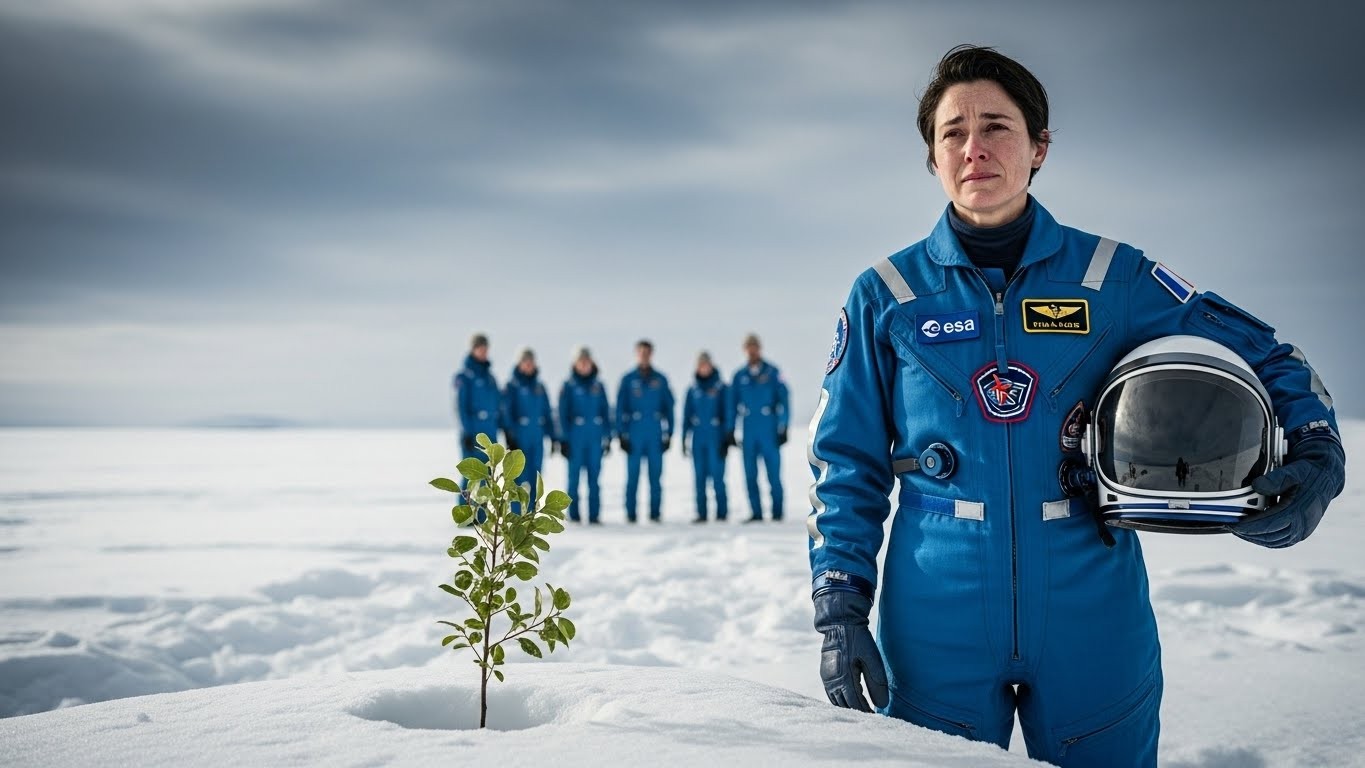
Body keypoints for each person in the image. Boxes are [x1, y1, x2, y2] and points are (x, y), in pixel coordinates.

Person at [806, 44, 1345, 768]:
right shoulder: (886, 293)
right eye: (951, 133)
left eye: (996, 126)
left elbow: (1265, 352)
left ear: (1038, 148)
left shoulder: (1112, 277)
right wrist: (839, 609)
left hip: (1090, 599)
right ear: (930, 158)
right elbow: (845, 464)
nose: (974, 149)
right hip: (936, 604)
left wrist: (1315, 450)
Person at [731, 332, 790, 522]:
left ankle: (777, 512)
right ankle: (756, 512)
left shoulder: (773, 372)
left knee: (773, 473)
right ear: (744, 350)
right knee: (750, 473)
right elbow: (732, 405)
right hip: (749, 430)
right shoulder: (740, 376)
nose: (751, 350)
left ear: (759, 348)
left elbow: (784, 400)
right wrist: (731, 431)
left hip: (769, 429)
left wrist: (784, 426)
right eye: (748, 347)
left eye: (754, 346)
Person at [616, 339, 675, 523]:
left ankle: (655, 513)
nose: (644, 355)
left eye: (647, 352)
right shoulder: (628, 380)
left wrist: (669, 433)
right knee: (632, 476)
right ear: (636, 354)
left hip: (654, 433)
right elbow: (619, 409)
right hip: (635, 433)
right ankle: (631, 514)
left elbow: (669, 407)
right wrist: (621, 434)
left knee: (655, 476)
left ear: (651, 354)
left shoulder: (660, 379)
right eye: (641, 352)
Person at [557, 346, 612, 525]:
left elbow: (606, 412)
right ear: (575, 363)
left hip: (594, 438)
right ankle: (574, 516)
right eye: (581, 362)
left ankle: (595, 515)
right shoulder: (568, 386)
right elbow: (562, 414)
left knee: (594, 479)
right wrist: (563, 440)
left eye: (586, 361)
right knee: (573, 479)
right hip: (575, 439)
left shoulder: (598, 386)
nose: (584, 365)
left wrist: (608, 436)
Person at [501, 347, 558, 499]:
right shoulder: (512, 387)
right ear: (519, 364)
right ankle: (515, 519)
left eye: (531, 362)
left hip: (537, 439)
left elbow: (547, 413)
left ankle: (531, 518)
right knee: (517, 479)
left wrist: (553, 437)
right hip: (519, 439)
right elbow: (506, 412)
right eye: (525, 362)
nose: (528, 365)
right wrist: (509, 436)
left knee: (536, 479)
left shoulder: (540, 388)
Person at [682, 351, 732, 523]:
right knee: (699, 478)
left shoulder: (720, 387)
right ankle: (701, 513)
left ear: (711, 366)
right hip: (698, 438)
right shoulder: (693, 389)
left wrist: (727, 437)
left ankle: (722, 513)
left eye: (706, 364)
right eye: (700, 365)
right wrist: (683, 438)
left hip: (715, 437)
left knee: (717, 477)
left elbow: (728, 412)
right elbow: (687, 414)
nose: (704, 368)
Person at [452, 333, 501, 464]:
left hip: (490, 432)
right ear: (473, 349)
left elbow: (498, 405)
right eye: (480, 348)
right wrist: (466, 432)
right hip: (473, 433)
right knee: (471, 476)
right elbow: (460, 407)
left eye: (486, 349)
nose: (484, 352)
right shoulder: (464, 377)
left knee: (490, 477)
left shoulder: (490, 378)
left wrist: (505, 429)